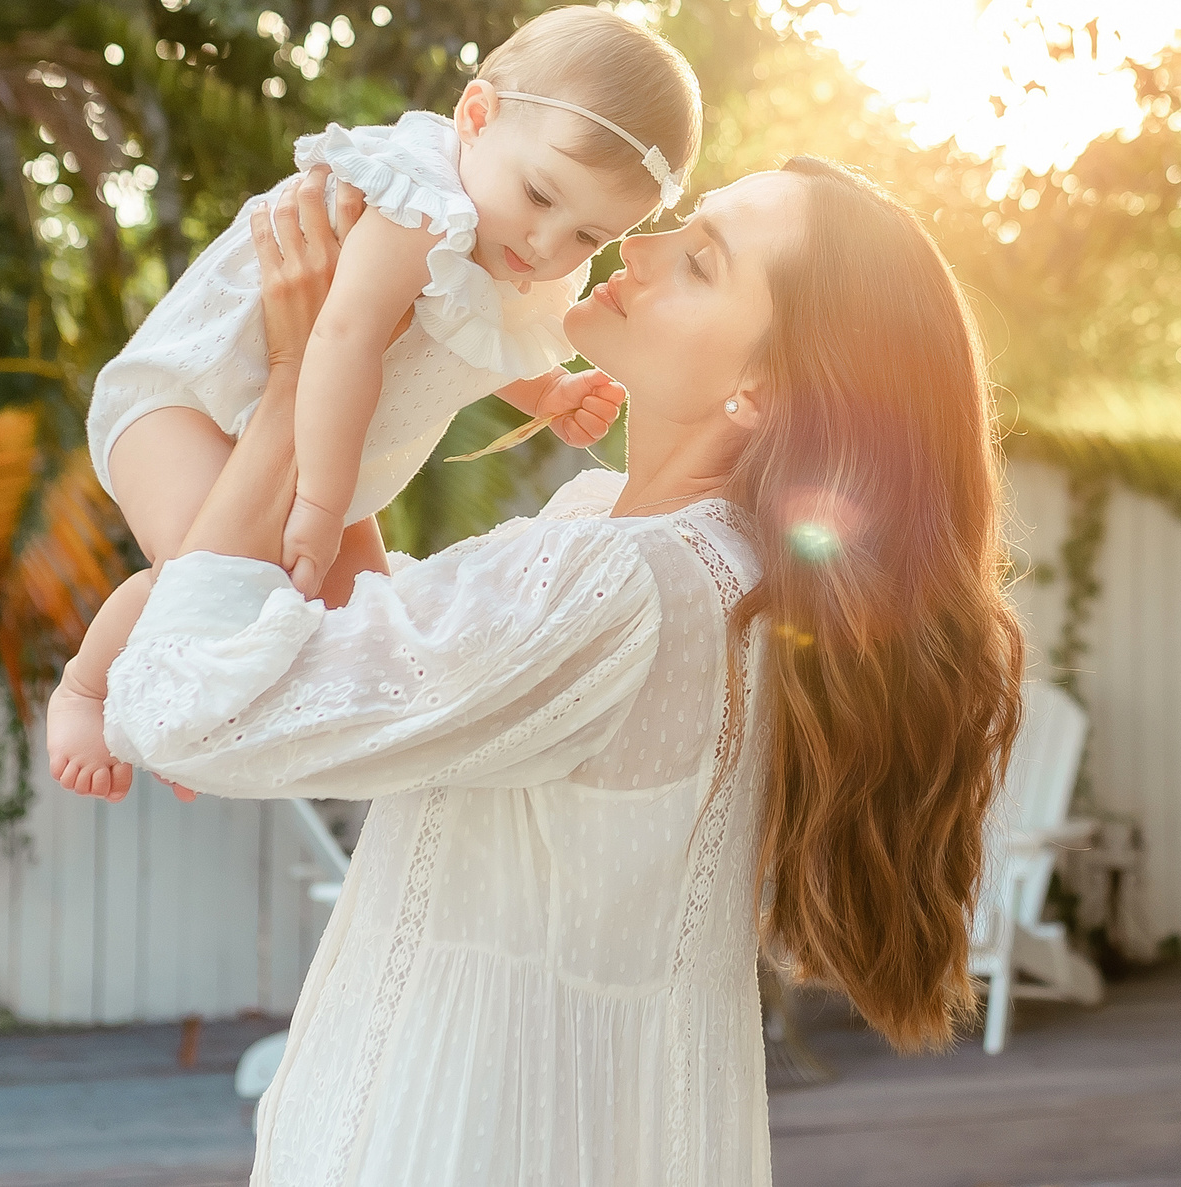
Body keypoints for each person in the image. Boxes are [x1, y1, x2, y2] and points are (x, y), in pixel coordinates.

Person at [100, 156, 1024, 1187]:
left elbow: (184, 709)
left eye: (701, 262)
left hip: (463, 1143)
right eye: (682, 222)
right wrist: (353, 361)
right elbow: (388, 650)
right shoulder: (677, 558)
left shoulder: (622, 585)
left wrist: (288, 385)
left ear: (764, 389)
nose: (640, 246)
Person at [50, 6, 703, 799]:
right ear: (476, 116)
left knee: (356, 626)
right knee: (212, 570)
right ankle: (87, 686)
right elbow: (344, 335)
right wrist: (324, 507)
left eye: (588, 237)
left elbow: (468, 334)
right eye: (540, 195)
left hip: (319, 441)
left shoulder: (508, 235)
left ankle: (205, 725)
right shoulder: (418, 198)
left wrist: (548, 391)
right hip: (190, 398)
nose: (546, 244)